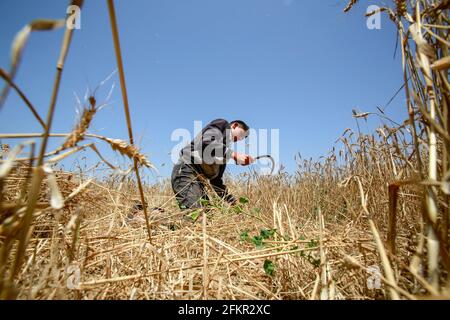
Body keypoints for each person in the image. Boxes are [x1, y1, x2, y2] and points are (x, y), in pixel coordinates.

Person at [171, 119, 254, 211]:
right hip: (186, 172)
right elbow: (206, 142)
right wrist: (234, 155)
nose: (240, 139)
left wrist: (230, 200)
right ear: (234, 126)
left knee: (208, 216)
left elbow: (216, 181)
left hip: (199, 183)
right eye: (241, 135)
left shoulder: (224, 153)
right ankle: (157, 217)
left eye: (242, 138)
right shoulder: (222, 124)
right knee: (195, 215)